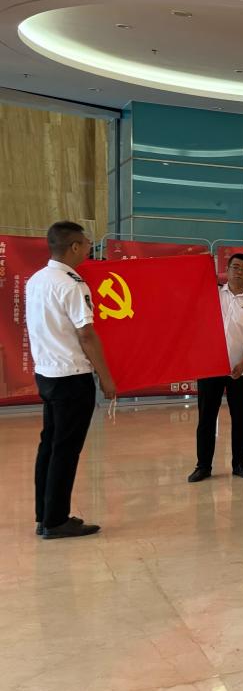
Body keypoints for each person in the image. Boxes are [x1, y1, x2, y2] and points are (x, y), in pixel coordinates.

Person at [25, 221, 117, 539]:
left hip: (47, 373)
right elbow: (86, 334)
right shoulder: (72, 284)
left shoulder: (36, 279)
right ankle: (56, 521)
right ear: (74, 246)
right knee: (65, 449)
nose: (90, 248)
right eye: (87, 243)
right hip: (71, 377)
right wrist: (106, 377)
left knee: (50, 445)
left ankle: (45, 515)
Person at [189, 252, 243, 483]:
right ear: (227, 269)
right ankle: (203, 466)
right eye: (235, 267)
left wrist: (242, 363)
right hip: (210, 367)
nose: (239, 271)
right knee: (206, 418)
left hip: (240, 369)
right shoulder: (211, 294)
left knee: (240, 417)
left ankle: (240, 464)